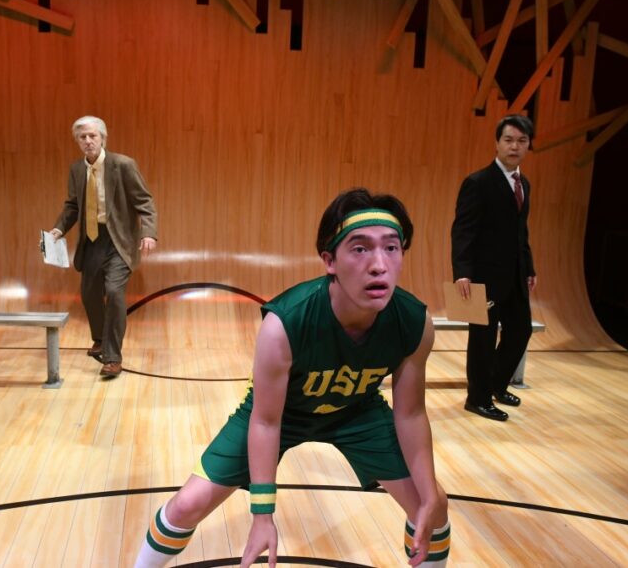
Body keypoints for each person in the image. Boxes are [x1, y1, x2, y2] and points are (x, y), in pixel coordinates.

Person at [134, 189, 450, 568]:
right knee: (187, 505)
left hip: (357, 410)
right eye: (360, 249)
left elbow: (411, 414)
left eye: (392, 248)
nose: (379, 264)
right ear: (329, 261)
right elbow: (266, 420)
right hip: (282, 414)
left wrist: (431, 493)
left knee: (433, 509)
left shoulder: (415, 322)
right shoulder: (284, 323)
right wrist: (262, 515)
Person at [49, 116, 158, 378]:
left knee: (114, 293)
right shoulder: (77, 170)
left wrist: (149, 233)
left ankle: (112, 358)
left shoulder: (123, 165)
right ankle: (99, 337)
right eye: (82, 137)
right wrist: (58, 228)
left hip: (118, 241)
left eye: (92, 136)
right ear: (77, 141)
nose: (88, 141)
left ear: (103, 138)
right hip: (91, 241)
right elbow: (73, 205)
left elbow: (145, 201)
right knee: (89, 294)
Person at [451, 115, 537, 422]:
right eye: (509, 140)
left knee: (521, 330)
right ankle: (477, 399)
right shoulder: (478, 182)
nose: (515, 146)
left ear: (529, 145)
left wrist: (529, 268)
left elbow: (520, 232)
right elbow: (463, 230)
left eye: (522, 141)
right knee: (482, 339)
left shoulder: (523, 183)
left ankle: (497, 386)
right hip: (481, 277)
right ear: (497, 143)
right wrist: (462, 272)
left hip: (514, 275)